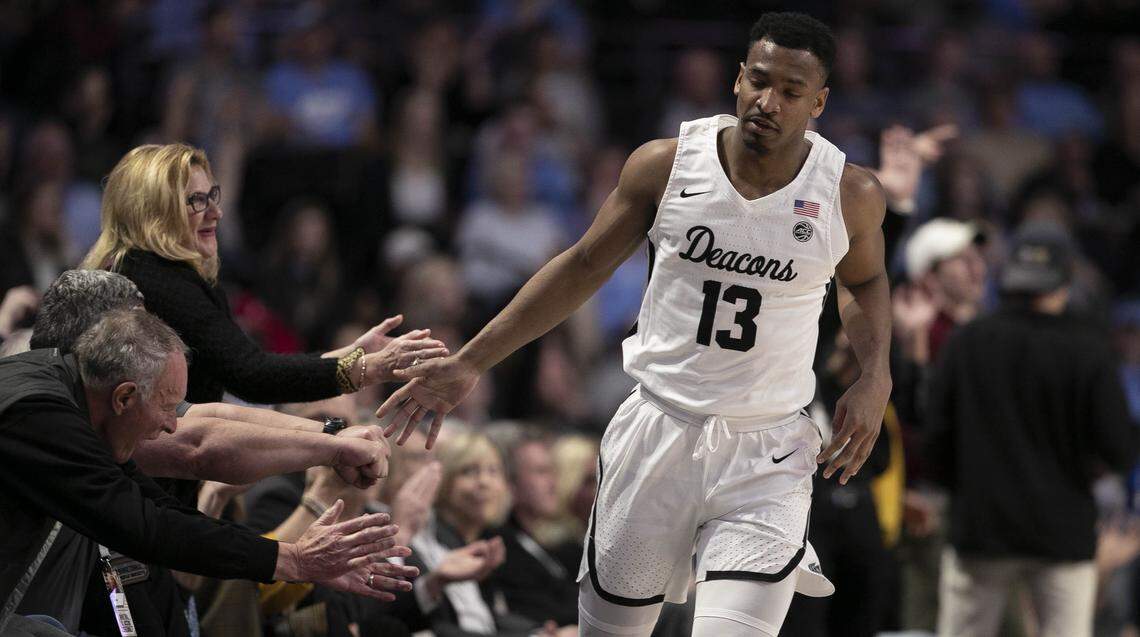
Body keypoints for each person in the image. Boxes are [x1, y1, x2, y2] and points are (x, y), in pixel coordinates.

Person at [381, 12, 893, 637]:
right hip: (658, 426)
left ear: (818, 101)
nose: (769, 101)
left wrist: (876, 375)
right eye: (759, 81)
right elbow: (582, 266)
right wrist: (470, 361)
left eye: (791, 91)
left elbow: (864, 282)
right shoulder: (665, 165)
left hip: (768, 448)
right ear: (737, 80)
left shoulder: (849, 194)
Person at [12, 269, 393, 634]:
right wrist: (295, 557)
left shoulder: (86, 407)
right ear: (123, 392)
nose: (171, 424)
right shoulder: (41, 412)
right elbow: (192, 458)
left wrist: (334, 439)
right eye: (165, 407)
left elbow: (162, 505)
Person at [80, 143, 448, 408]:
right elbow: (252, 375)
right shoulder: (160, 282)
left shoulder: (137, 270)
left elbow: (248, 369)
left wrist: (352, 353)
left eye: (213, 196)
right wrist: (365, 368)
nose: (215, 213)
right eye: (196, 201)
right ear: (153, 212)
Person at [927, 224, 1137, 637]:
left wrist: (962, 491)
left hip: (981, 530)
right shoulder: (1088, 351)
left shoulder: (967, 342)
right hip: (1062, 533)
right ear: (1066, 280)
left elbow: (936, 443)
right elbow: (1118, 449)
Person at [493, 432, 580, 628]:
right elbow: (536, 611)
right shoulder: (502, 545)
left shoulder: (540, 543)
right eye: (541, 471)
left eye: (553, 472)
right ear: (511, 481)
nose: (553, 483)